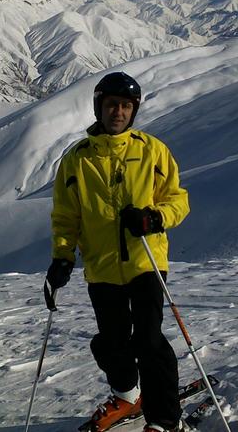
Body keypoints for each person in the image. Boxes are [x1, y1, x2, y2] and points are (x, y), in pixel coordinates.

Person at [44, 71, 190, 432]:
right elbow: (66, 217)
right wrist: (62, 257)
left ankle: (165, 421)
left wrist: (154, 218)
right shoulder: (76, 160)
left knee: (149, 341)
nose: (119, 112)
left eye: (126, 106)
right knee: (111, 344)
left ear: (134, 110)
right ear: (99, 107)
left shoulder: (152, 150)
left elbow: (178, 200)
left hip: (146, 263)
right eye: (112, 105)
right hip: (102, 268)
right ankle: (128, 394)